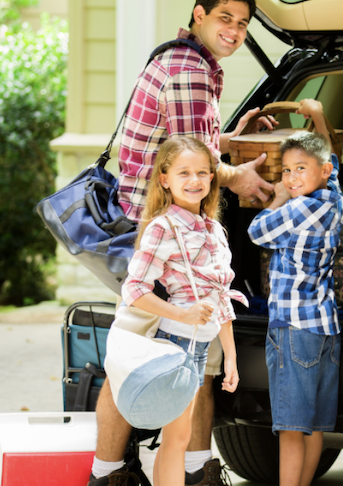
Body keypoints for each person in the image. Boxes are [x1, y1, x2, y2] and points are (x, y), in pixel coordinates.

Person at [89, 0, 274, 486]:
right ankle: (121, 476)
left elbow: (198, 143)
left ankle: (180, 471)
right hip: (159, 236)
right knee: (143, 359)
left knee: (189, 359)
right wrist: (240, 176)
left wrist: (237, 136)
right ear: (198, 15)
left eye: (242, 24)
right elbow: (196, 158)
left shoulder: (189, 62)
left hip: (172, 230)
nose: (234, 31)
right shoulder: (190, 70)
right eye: (225, 18)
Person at [107, 136, 247, 486]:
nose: (195, 180)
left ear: (213, 177)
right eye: (184, 172)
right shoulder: (162, 228)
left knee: (181, 439)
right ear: (165, 178)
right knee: (175, 439)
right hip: (177, 344)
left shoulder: (214, 229)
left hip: (200, 347)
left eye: (202, 172)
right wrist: (181, 314)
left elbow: (221, 299)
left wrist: (230, 357)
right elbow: (135, 290)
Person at [247, 100, 343, 486]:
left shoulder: (297, 208)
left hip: (293, 329)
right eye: (286, 170)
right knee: (315, 426)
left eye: (298, 169)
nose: (290, 178)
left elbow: (256, 232)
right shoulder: (332, 196)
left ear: (318, 171)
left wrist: (277, 198)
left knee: (290, 427)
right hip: (325, 327)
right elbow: (330, 157)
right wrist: (320, 115)